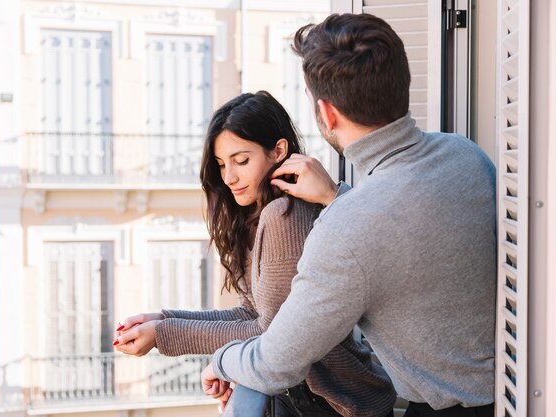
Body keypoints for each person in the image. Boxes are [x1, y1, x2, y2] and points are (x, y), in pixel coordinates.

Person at [201, 13, 497, 417]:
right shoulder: (465, 156)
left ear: (327, 113)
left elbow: (276, 362)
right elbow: (405, 236)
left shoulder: (345, 229)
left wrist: (221, 359)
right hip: (508, 394)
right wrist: (337, 197)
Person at [113, 90, 396, 417]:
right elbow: (251, 312)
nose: (229, 177)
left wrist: (163, 335)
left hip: (337, 405)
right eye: (221, 165)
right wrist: (163, 318)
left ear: (277, 151)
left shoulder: (284, 214)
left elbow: (271, 334)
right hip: (309, 399)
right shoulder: (257, 216)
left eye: (241, 160)